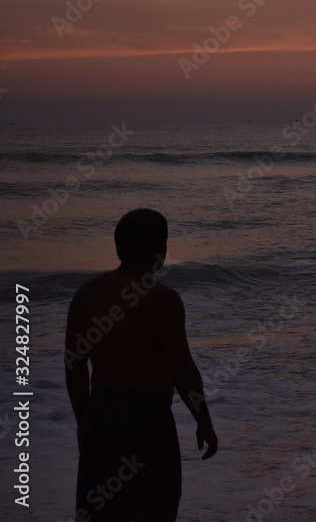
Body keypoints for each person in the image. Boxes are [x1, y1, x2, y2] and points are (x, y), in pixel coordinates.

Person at [65, 208, 218, 521]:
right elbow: (181, 367)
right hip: (148, 419)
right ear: (160, 250)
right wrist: (203, 419)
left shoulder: (86, 295)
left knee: (101, 509)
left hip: (102, 414)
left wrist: (85, 420)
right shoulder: (163, 299)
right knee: (154, 507)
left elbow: (74, 366)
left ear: (118, 247)